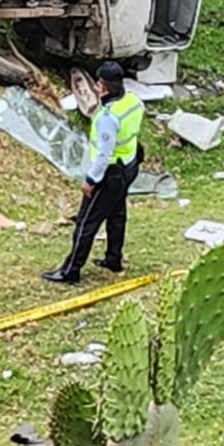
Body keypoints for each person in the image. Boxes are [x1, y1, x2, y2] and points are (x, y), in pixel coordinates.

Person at [43, 62, 145, 285]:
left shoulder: (108, 116)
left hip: (110, 173)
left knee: (86, 222)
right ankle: (113, 258)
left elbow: (103, 154)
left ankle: (71, 270)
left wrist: (91, 180)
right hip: (130, 165)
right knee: (117, 214)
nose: (96, 87)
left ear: (104, 87)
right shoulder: (133, 101)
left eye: (98, 83)